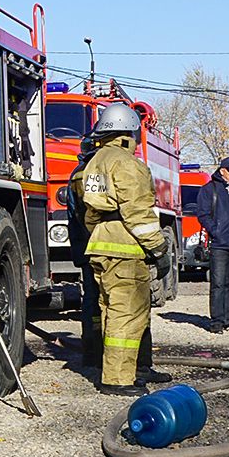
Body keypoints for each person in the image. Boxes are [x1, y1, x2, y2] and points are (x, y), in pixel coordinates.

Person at [74, 103, 168, 395]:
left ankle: (118, 371)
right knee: (127, 316)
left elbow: (89, 213)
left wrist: (101, 235)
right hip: (125, 248)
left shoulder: (95, 161)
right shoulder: (126, 162)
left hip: (101, 244)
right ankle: (117, 381)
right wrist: (159, 249)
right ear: (129, 132)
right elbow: (138, 212)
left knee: (109, 313)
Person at [194, 157, 229, 333]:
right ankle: (216, 320)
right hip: (219, 244)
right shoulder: (209, 190)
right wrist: (215, 231)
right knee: (217, 283)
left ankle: (228, 319)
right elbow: (202, 214)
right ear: (222, 171)